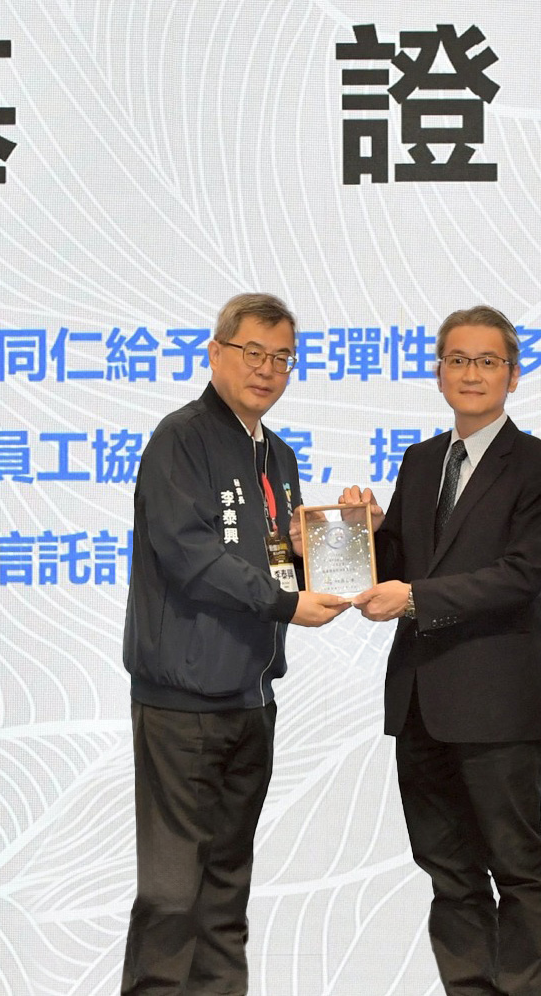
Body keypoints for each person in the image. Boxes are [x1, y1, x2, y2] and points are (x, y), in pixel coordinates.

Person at [121, 292, 350, 995]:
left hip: (251, 700)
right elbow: (191, 557)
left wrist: (344, 536)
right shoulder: (181, 439)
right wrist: (285, 602)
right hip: (182, 702)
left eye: (283, 357)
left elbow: (280, 560)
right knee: (171, 895)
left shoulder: (277, 455)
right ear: (216, 353)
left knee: (225, 896)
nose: (268, 369)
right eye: (254, 352)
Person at [345, 305, 541, 996]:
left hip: (498, 704)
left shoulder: (540, 466)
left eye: (487, 361)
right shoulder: (420, 462)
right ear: (438, 371)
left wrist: (414, 596)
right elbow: (398, 564)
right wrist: (363, 531)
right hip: (420, 700)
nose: (472, 374)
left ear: (513, 375)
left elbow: (518, 576)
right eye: (458, 360)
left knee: (518, 867)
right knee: (449, 871)